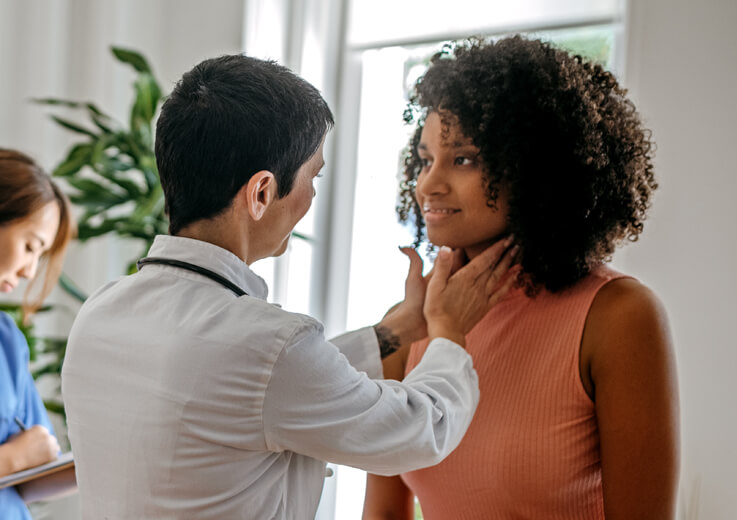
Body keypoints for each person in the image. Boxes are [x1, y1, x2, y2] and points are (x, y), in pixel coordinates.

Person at [61, 54, 519, 519]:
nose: (313, 195)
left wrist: (393, 332)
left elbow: (248, 387)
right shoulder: (264, 344)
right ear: (261, 193)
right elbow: (422, 430)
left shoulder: (99, 313)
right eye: (312, 176)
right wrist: (447, 331)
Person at [363, 36, 680, 520]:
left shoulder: (619, 317)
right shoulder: (408, 329)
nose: (428, 184)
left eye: (463, 158)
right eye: (426, 160)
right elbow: (383, 514)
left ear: (534, 169)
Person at [0, 148, 76, 519]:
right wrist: (13, 457)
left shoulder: (5, 339)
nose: (29, 272)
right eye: (30, 247)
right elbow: (20, 458)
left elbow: (35, 467)